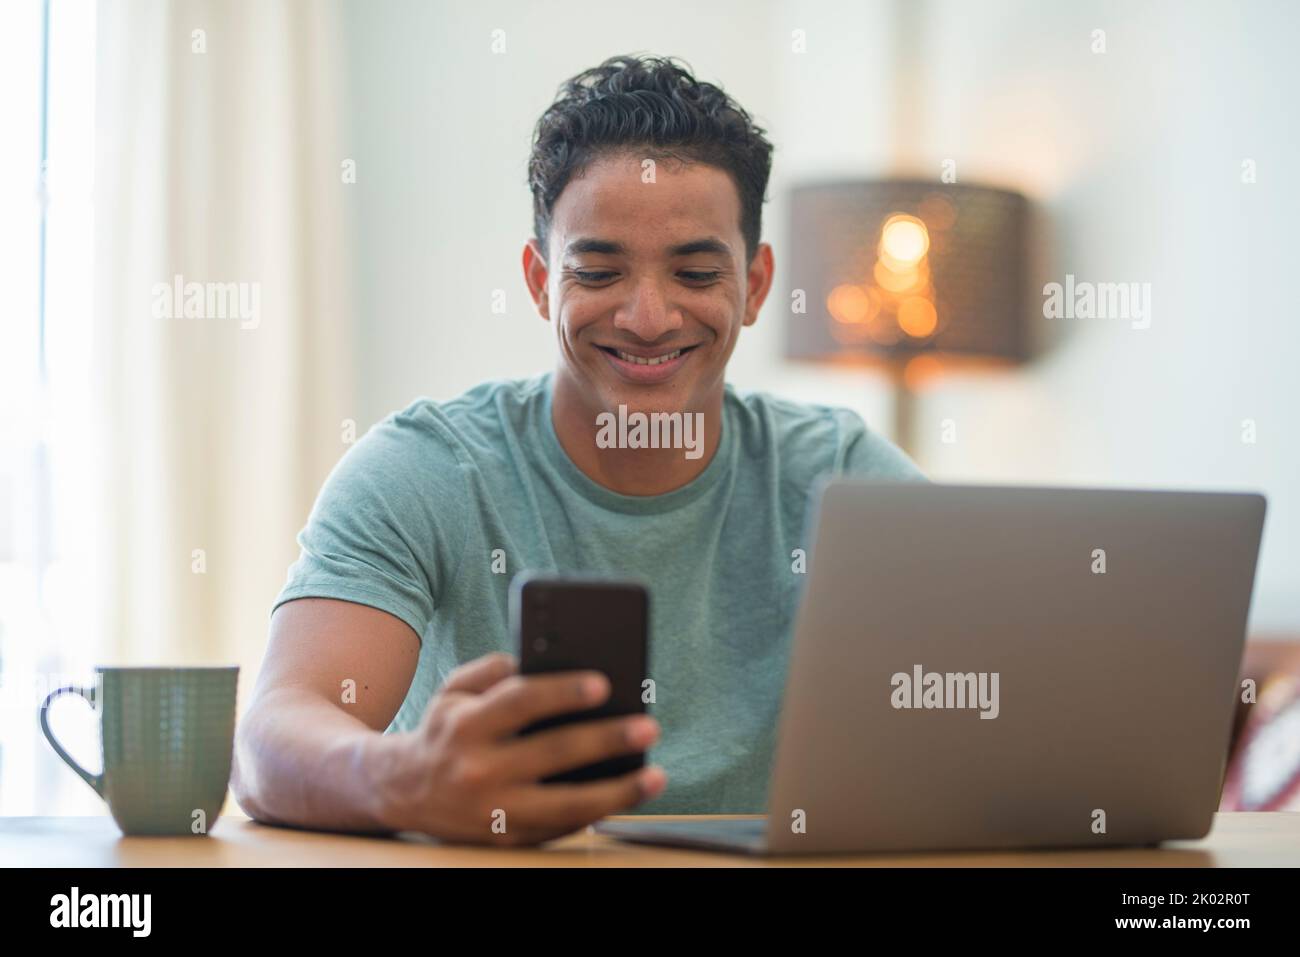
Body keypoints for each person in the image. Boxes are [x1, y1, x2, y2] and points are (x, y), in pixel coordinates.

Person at [231, 54, 924, 847]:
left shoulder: (839, 472)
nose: (649, 316)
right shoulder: (421, 470)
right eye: (598, 271)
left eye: (696, 272)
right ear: (539, 282)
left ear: (757, 285)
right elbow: (269, 741)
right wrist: (407, 778)